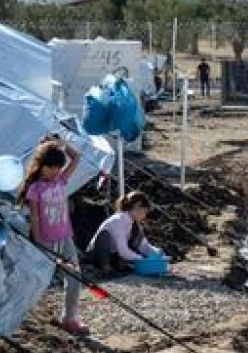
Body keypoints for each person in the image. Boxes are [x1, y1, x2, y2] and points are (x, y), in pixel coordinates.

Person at [17, 141, 89, 336]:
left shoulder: (60, 181)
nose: (56, 172)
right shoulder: (35, 188)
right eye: (52, 168)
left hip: (65, 236)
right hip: (46, 239)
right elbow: (34, 217)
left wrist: (62, 144)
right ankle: (20, 312)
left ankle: (70, 318)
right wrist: (39, 241)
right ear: (41, 166)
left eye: (58, 168)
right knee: (38, 278)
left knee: (75, 275)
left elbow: (77, 158)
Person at [86, 191, 161, 274]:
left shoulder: (134, 223)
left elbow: (143, 245)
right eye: (144, 211)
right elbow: (122, 250)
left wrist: (157, 253)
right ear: (136, 206)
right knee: (104, 235)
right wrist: (141, 259)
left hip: (113, 255)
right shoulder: (118, 220)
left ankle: (119, 266)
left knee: (137, 236)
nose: (144, 215)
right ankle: (105, 267)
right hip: (97, 254)